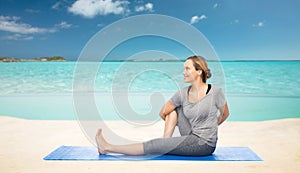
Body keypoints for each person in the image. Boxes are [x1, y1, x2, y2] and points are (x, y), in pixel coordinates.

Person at [95, 55, 229, 156]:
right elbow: (163, 112)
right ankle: (166, 142)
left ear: (199, 71)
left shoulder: (215, 92)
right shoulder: (182, 93)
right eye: (184, 69)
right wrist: (174, 121)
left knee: (154, 144)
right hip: (190, 133)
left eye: (188, 69)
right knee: (174, 109)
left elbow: (225, 114)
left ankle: (107, 147)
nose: (184, 72)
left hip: (204, 144)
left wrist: (211, 127)